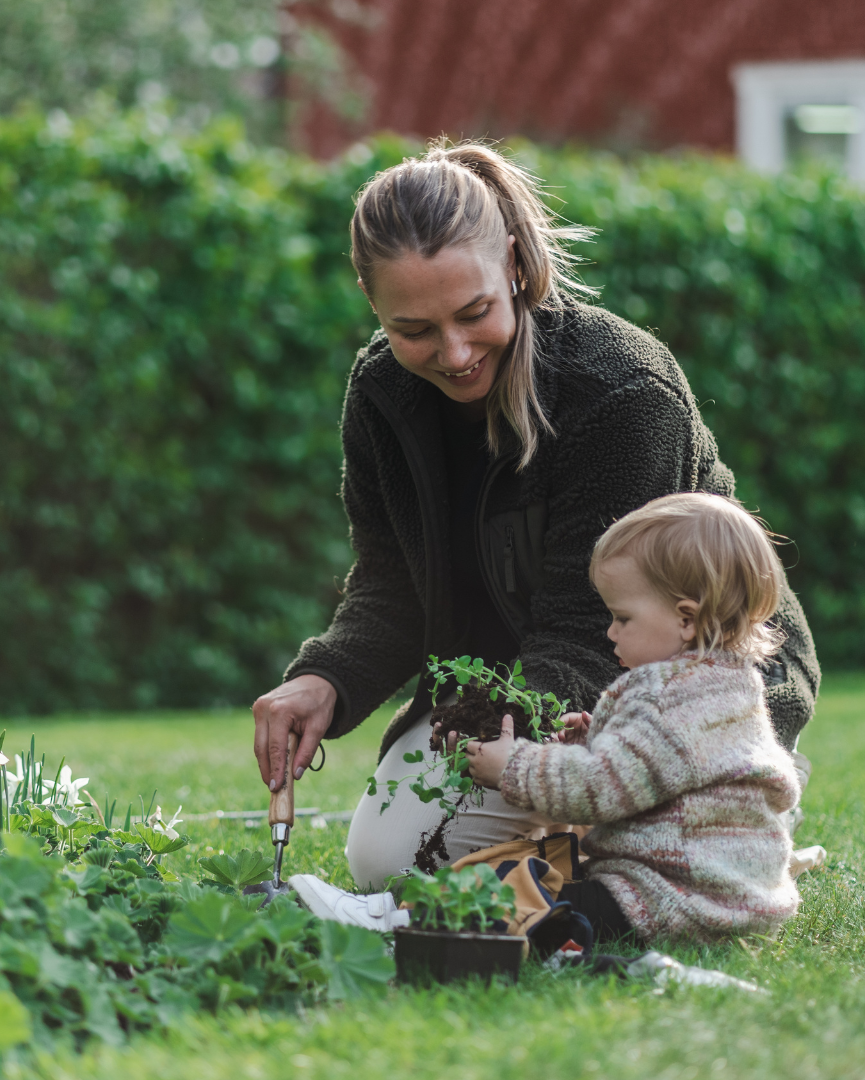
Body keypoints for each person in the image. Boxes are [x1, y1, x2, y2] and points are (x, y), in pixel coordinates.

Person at [250, 139, 821, 890]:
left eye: (474, 312)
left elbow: (592, 630)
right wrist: (326, 679)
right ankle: (656, 833)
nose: (453, 353)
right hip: (498, 684)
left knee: (483, 864)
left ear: (514, 265)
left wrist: (506, 750)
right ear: (371, 300)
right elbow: (392, 584)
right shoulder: (383, 396)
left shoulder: (618, 392)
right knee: (385, 863)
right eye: (413, 329)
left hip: (674, 677)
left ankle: (731, 794)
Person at [460, 493, 813, 945]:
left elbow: (600, 789)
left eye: (621, 617)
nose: (610, 632)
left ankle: (405, 916)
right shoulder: (731, 685)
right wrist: (599, 738)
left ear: (686, 619)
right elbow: (667, 770)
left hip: (669, 895)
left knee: (519, 898)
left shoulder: (665, 696)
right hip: (731, 894)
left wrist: (513, 765)